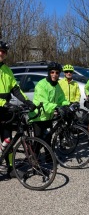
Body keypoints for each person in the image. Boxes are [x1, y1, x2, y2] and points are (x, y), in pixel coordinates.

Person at [0, 41, 36, 177]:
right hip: (2, 106)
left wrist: (27, 101)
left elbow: (15, 89)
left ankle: (10, 168)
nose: (1, 53)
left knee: (8, 139)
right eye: (0, 50)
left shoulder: (7, 70)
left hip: (5, 111)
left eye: (3, 51)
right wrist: (2, 103)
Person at [30, 62, 70, 150]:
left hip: (49, 116)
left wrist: (68, 105)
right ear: (48, 73)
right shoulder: (41, 84)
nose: (54, 75)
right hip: (38, 117)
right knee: (38, 140)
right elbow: (44, 103)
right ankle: (33, 160)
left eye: (57, 73)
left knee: (48, 138)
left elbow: (61, 99)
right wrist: (56, 107)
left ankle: (49, 159)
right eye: (52, 72)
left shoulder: (57, 85)